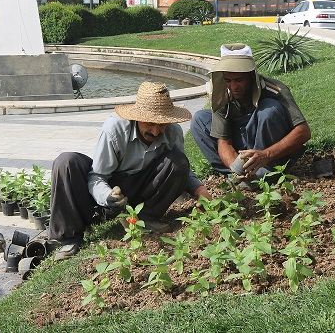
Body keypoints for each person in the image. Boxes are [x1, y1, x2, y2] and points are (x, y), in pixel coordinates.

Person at [48, 81, 211, 260]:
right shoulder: (115, 129)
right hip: (111, 185)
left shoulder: (173, 132)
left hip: (141, 187)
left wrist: (200, 190)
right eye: (150, 124)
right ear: (138, 117)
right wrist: (108, 197)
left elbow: (183, 171)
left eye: (162, 124)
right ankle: (70, 237)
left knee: (179, 161)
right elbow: (97, 176)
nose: (156, 131)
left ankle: (146, 218)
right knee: (66, 162)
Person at [190, 44, 311, 186]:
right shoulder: (223, 95)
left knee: (269, 110)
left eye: (239, 80)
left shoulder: (274, 90)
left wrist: (266, 155)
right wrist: (235, 167)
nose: (233, 87)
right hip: (242, 144)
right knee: (200, 119)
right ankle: (236, 174)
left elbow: (303, 132)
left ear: (251, 76)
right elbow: (224, 141)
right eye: (228, 80)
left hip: (270, 150)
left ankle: (267, 170)